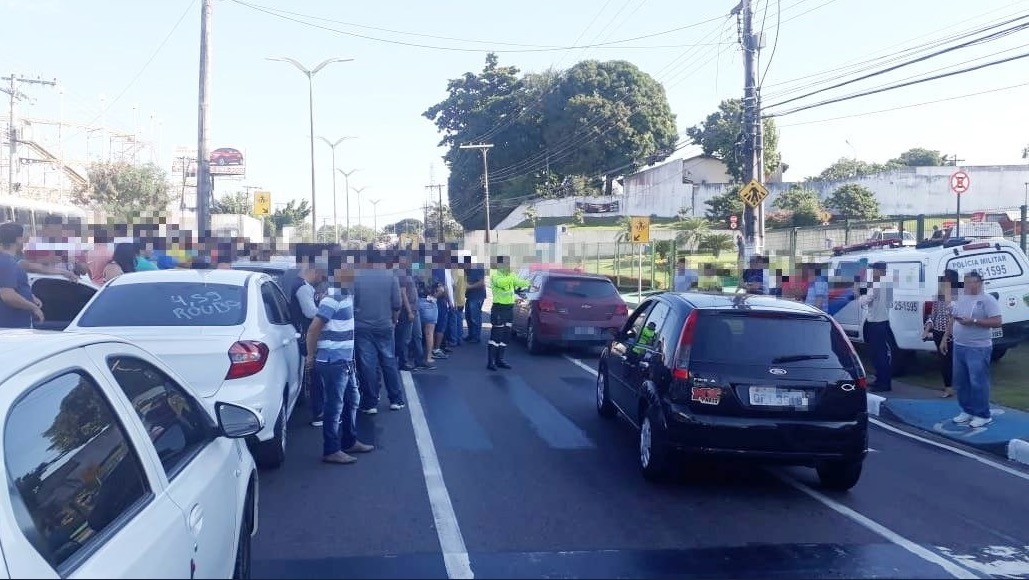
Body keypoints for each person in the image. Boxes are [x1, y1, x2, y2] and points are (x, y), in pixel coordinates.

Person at [305, 259, 374, 465]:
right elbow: (313, 329)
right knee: (335, 406)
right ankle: (331, 449)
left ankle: (349, 441)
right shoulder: (333, 298)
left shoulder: (344, 295)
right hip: (333, 361)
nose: (355, 274)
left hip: (345, 360)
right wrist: (310, 356)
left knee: (352, 400)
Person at [946, 270, 1002, 428]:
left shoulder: (988, 300)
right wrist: (952, 319)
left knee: (978, 381)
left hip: (978, 347)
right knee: (961, 380)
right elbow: (954, 315)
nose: (969, 285)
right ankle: (967, 410)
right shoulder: (961, 297)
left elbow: (997, 322)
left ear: (980, 283)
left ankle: (982, 414)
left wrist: (974, 321)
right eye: (967, 282)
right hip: (960, 345)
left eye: (972, 282)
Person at [353, 251, 406, 414]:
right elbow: (397, 304)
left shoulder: (358, 277)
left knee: (367, 365)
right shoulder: (391, 277)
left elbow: (353, 302)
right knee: (389, 362)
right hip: (384, 325)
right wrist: (394, 321)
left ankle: (370, 402)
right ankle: (396, 399)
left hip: (362, 326)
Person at [290, 261, 327, 426]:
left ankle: (316, 408)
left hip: (301, 333)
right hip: (307, 334)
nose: (321, 279)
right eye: (321, 275)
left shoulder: (300, 285)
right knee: (315, 374)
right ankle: (318, 413)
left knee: (311, 373)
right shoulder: (303, 288)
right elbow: (310, 312)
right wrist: (327, 309)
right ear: (315, 271)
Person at [855, 261, 894, 392]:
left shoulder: (877, 284)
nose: (873, 272)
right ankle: (881, 380)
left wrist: (858, 294)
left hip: (876, 323)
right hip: (884, 321)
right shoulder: (888, 283)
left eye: (874, 270)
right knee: (881, 353)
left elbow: (865, 300)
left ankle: (883, 383)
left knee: (878, 354)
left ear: (879, 271)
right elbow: (889, 303)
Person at [487, 256, 531, 371]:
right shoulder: (495, 275)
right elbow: (501, 283)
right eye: (506, 264)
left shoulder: (510, 275)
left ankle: (500, 360)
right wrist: (511, 276)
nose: (508, 266)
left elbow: (519, 282)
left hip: (509, 309)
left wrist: (529, 282)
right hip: (499, 309)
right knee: (496, 336)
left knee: (506, 336)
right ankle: (491, 362)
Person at [0, 222, 44, 328]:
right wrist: (33, 307)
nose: (27, 238)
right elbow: (8, 295)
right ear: (18, 239)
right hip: (12, 326)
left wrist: (31, 297)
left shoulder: (8, 261)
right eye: (24, 235)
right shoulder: (7, 262)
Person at [923, 269, 958, 398]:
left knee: (949, 360)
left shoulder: (956, 297)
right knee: (943, 360)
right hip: (938, 331)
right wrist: (927, 330)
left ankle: (950, 387)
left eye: (946, 278)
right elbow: (933, 315)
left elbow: (954, 317)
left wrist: (946, 336)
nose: (943, 281)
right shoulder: (938, 296)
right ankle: (948, 386)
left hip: (951, 333)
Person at [19, 215, 82, 281]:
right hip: (44, 282)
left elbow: (83, 270)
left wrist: (76, 262)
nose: (56, 235)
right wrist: (46, 260)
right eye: (52, 231)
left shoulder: (69, 243)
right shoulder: (33, 244)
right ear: (45, 229)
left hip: (68, 282)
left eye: (59, 231)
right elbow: (27, 266)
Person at [393, 252, 419, 371]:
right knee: (405, 338)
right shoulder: (401, 273)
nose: (409, 261)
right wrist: (409, 311)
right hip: (406, 310)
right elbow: (403, 294)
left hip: (412, 308)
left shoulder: (406, 272)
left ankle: (404, 359)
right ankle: (403, 361)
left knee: (407, 337)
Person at [464, 258, 486, 343]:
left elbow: (481, 282)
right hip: (470, 296)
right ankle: (471, 335)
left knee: (475, 317)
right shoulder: (467, 269)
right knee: (468, 316)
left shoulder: (477, 267)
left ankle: (476, 337)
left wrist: (470, 287)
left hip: (477, 296)